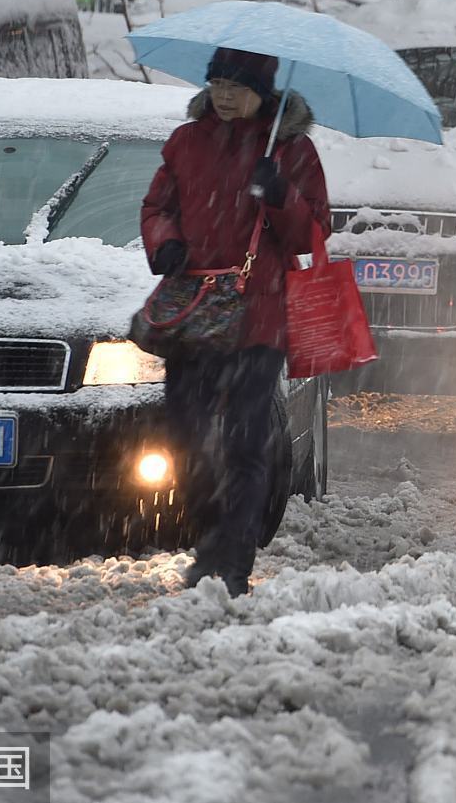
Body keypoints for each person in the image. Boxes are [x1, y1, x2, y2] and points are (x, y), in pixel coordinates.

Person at [141, 47, 330, 597]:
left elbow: (310, 234)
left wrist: (280, 196)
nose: (224, 96)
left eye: (236, 87)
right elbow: (157, 208)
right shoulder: (187, 142)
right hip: (195, 315)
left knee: (247, 443)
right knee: (184, 435)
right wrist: (167, 245)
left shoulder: (291, 150)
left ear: (263, 93)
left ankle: (235, 561)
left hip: (257, 317)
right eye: (217, 83)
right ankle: (209, 536)